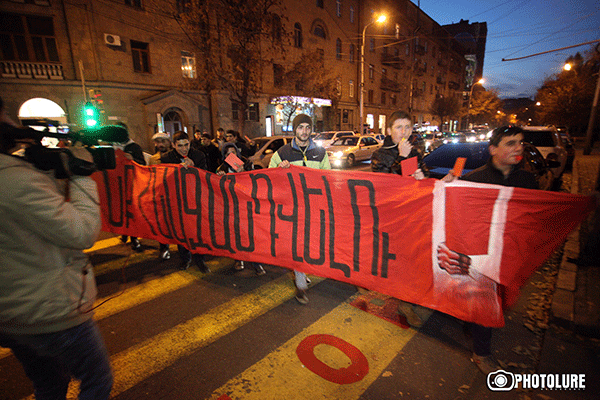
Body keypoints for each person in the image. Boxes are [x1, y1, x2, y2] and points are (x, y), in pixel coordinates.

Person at [0, 110, 113, 399]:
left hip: (11, 313)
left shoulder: (16, 174)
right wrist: (82, 175)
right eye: (5, 115)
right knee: (97, 379)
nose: (12, 122)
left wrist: (44, 172)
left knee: (49, 384)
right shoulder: (14, 179)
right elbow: (81, 232)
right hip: (47, 311)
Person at [440, 125, 538, 374]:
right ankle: (481, 353)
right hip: (481, 253)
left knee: (497, 300)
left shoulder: (527, 181)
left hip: (509, 252)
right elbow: (451, 208)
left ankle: (471, 322)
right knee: (485, 301)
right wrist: (447, 185)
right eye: (510, 143)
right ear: (493, 149)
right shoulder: (475, 179)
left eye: (520, 142)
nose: (518, 148)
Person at [370, 110, 426, 328]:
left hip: (410, 214)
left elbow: (419, 180)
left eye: (407, 127)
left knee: (409, 260)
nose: (404, 132)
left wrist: (423, 177)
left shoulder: (414, 152)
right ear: (389, 130)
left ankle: (405, 303)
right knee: (386, 258)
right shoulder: (380, 154)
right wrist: (402, 158)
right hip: (388, 215)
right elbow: (384, 186)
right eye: (399, 127)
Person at [269, 114, 330, 304]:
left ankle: (302, 271)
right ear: (294, 129)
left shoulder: (320, 152)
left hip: (314, 207)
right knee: (297, 243)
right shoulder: (282, 153)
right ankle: (301, 285)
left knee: (310, 243)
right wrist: (279, 170)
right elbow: (269, 178)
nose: (304, 131)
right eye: (300, 127)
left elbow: (328, 178)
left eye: (307, 127)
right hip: (292, 208)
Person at [160, 131, 210, 273]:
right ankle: (185, 259)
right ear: (173, 145)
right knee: (181, 230)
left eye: (186, 145)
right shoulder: (167, 158)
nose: (184, 149)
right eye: (180, 146)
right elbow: (164, 179)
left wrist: (194, 168)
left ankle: (200, 259)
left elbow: (206, 176)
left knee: (197, 230)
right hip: (177, 200)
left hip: (195, 199)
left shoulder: (198, 155)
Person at [216, 142, 266, 276]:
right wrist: (219, 179)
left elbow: (256, 183)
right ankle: (239, 260)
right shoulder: (222, 168)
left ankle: (256, 263)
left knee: (251, 234)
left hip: (247, 206)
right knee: (236, 235)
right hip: (232, 207)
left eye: (233, 153)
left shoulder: (247, 164)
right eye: (227, 154)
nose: (231, 156)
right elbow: (218, 191)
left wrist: (243, 172)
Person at [115, 126, 146, 251]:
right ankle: (124, 232)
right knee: (122, 211)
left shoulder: (135, 147)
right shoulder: (112, 146)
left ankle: (134, 238)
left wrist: (133, 159)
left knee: (132, 211)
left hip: (132, 184)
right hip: (118, 184)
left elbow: (143, 164)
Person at [148, 132, 173, 260]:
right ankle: (164, 247)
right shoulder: (153, 159)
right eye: (158, 142)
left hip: (175, 194)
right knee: (161, 222)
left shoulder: (176, 156)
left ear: (169, 142)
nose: (160, 144)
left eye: (163, 141)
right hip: (161, 194)